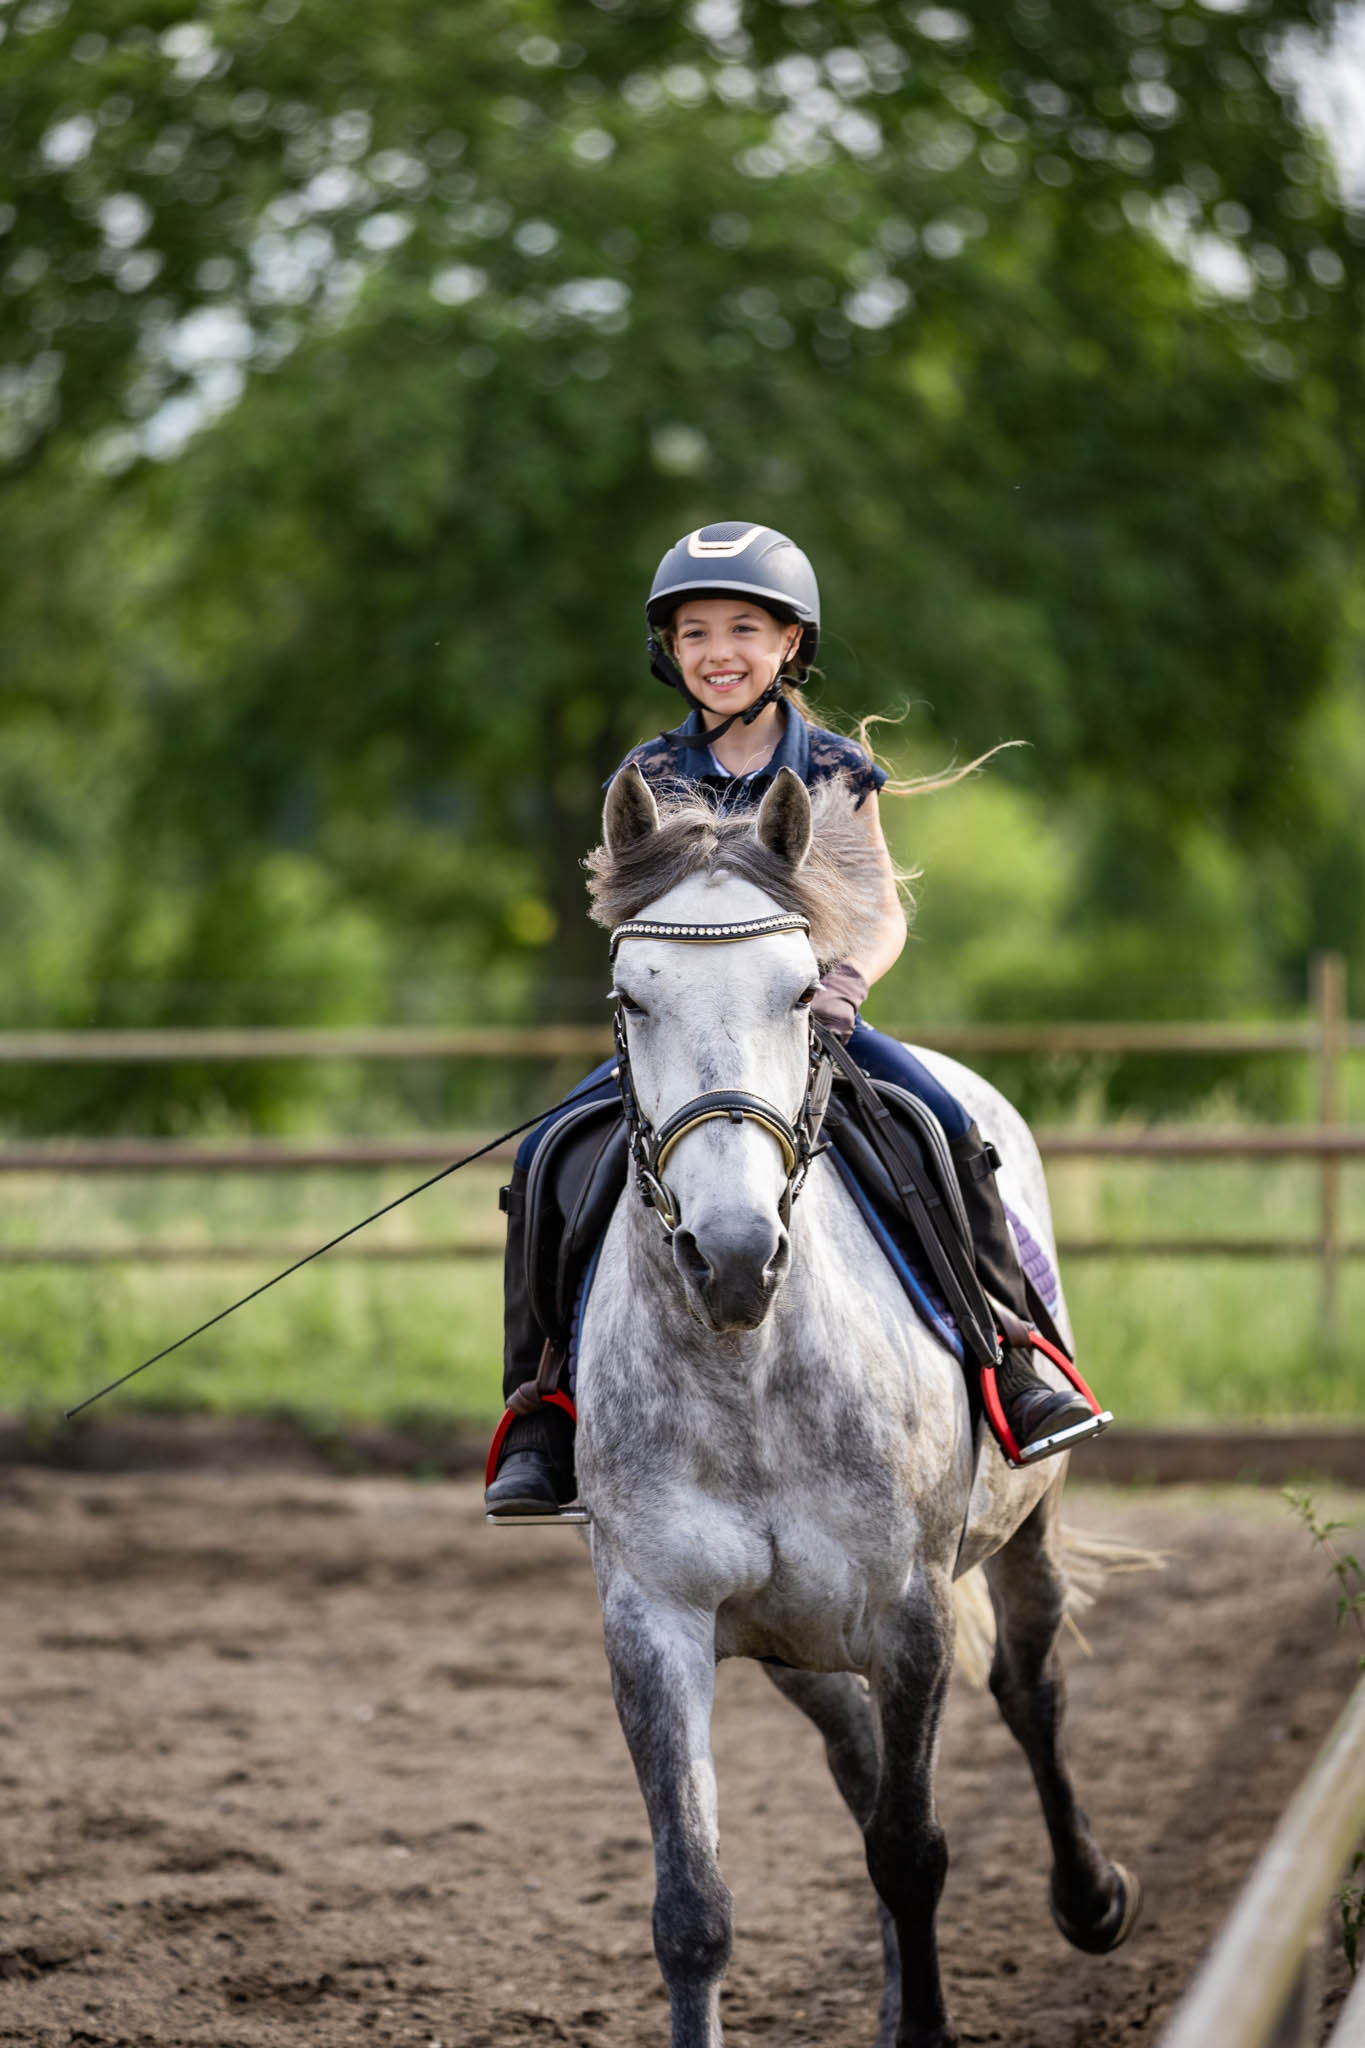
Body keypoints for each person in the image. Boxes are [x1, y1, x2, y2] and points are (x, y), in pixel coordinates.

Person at [485, 521, 1103, 1516]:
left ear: (789, 646)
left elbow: (880, 907)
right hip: (685, 1040)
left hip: (808, 1022)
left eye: (742, 628)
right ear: (668, 651)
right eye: (693, 632)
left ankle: (1013, 1359)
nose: (717, 651)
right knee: (546, 1157)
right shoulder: (644, 777)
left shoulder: (835, 769)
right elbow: (621, 914)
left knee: (946, 1127)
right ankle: (543, 1405)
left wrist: (846, 983)